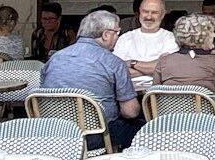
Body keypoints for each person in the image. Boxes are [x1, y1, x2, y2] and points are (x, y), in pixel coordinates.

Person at [42, 10, 141, 149]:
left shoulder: (55, 58)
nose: (118, 37)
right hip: (96, 137)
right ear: (106, 35)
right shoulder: (113, 63)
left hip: (54, 135)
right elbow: (130, 112)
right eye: (117, 33)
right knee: (143, 128)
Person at [150, 15, 215, 92]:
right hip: (203, 104)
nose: (214, 35)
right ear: (203, 37)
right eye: (211, 32)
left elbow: (154, 91)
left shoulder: (164, 61)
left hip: (168, 104)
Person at [113, 0, 177, 71]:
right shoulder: (125, 38)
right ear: (139, 12)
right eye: (145, 12)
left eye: (154, 12)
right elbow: (117, 70)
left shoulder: (171, 38)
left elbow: (168, 68)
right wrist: (156, 68)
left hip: (159, 83)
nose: (149, 17)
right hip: (129, 83)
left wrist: (132, 63)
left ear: (162, 15)